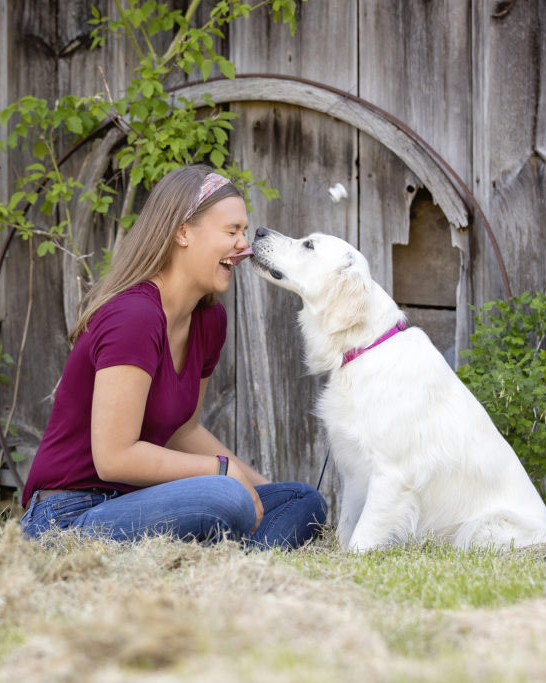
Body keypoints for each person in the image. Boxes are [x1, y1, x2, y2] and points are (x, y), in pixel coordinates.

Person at [20, 164, 327, 549]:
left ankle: (234, 565)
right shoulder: (134, 316)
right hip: (67, 515)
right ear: (182, 232)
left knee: (303, 500)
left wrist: (262, 491)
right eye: (231, 231)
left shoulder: (209, 320)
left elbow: (184, 431)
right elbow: (113, 458)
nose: (244, 245)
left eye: (244, 232)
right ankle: (236, 557)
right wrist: (223, 471)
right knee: (225, 496)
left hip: (138, 502)